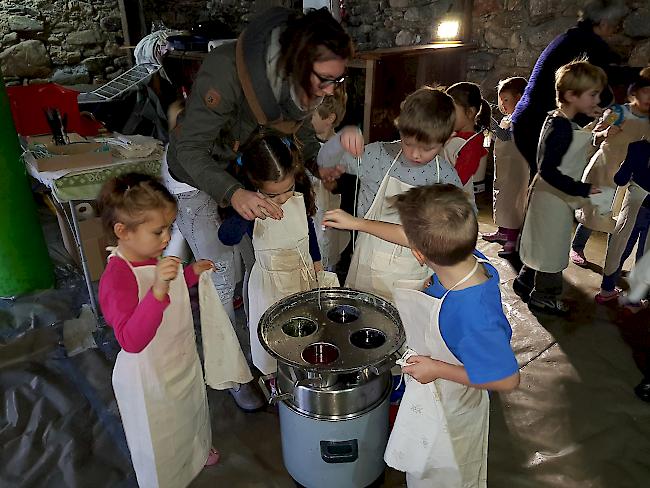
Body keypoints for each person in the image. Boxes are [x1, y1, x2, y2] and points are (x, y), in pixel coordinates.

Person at [162, 7, 352, 410]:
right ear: (298, 61)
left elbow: (298, 127)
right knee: (223, 271)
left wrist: (319, 163)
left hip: (246, 167)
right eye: (326, 80)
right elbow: (189, 150)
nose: (331, 90)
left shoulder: (299, 84)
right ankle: (231, 371)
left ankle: (263, 353)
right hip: (194, 173)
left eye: (338, 79)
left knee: (257, 265)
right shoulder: (225, 73)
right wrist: (233, 194)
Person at [323, 184, 519, 487]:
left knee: (444, 476)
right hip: (433, 396)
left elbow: (507, 379)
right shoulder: (464, 255)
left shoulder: (473, 314)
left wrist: (436, 369)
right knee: (421, 467)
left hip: (454, 412)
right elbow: (412, 237)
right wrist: (357, 223)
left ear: (418, 254)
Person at [97, 173, 220, 488]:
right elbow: (131, 340)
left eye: (169, 228)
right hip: (148, 375)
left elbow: (175, 284)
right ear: (122, 232)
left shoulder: (154, 256)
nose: (166, 238)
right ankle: (167, 477)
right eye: (158, 231)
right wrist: (158, 291)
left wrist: (189, 274)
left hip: (180, 357)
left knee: (191, 410)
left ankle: (195, 450)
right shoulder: (117, 278)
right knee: (160, 432)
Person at [317, 86, 462, 301]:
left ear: (447, 139)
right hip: (367, 267)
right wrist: (340, 140)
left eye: (427, 148)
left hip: (415, 278)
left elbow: (460, 232)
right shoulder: (377, 157)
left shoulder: (446, 178)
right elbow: (324, 160)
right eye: (408, 143)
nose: (415, 154)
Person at [218, 133, 338, 375]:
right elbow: (226, 237)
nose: (283, 199)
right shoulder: (250, 207)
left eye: (288, 190)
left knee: (305, 334)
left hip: (302, 279)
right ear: (254, 187)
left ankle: (302, 371)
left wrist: (317, 265)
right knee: (275, 341)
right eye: (273, 195)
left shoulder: (298, 197)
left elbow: (308, 234)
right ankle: (276, 378)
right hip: (269, 288)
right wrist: (245, 211)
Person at [514, 60, 607, 315]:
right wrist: (580, 189)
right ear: (570, 95)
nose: (597, 99)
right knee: (552, 249)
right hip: (553, 196)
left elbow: (573, 140)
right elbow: (548, 169)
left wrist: (596, 135)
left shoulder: (559, 119)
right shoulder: (561, 128)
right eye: (592, 94)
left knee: (541, 243)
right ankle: (544, 296)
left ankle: (524, 281)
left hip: (549, 195)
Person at [510, 0, 630, 174]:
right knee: (549, 181)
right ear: (604, 23)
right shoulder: (590, 44)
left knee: (540, 181)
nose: (616, 30)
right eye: (616, 25)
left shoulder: (572, 37)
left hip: (526, 118)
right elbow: (608, 79)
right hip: (536, 121)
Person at [571, 69, 650, 265]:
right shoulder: (619, 113)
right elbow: (594, 137)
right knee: (593, 212)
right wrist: (605, 132)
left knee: (618, 220)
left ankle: (610, 262)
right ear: (635, 92)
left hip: (627, 176)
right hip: (604, 169)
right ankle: (577, 246)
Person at [595, 139, 650, 312]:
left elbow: (621, 178)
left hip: (635, 202)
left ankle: (607, 290)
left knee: (620, 245)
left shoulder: (638, 146)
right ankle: (634, 298)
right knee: (646, 254)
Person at [482, 77, 529, 256]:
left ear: (519, 97)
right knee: (501, 197)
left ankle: (512, 238)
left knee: (512, 202)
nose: (502, 103)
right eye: (501, 99)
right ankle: (503, 231)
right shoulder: (508, 118)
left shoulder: (522, 119)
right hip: (503, 166)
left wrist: (489, 121)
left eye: (506, 99)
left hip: (516, 169)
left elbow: (506, 136)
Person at [310, 87, 351, 271]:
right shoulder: (303, 142)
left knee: (327, 267)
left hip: (329, 213)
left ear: (330, 118)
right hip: (308, 213)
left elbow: (348, 185)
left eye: (313, 115)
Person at [443, 81, 490, 208]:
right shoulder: (453, 135)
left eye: (452, 110)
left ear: (470, 112)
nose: (448, 115)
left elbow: (459, 179)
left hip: (455, 203)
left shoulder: (472, 143)